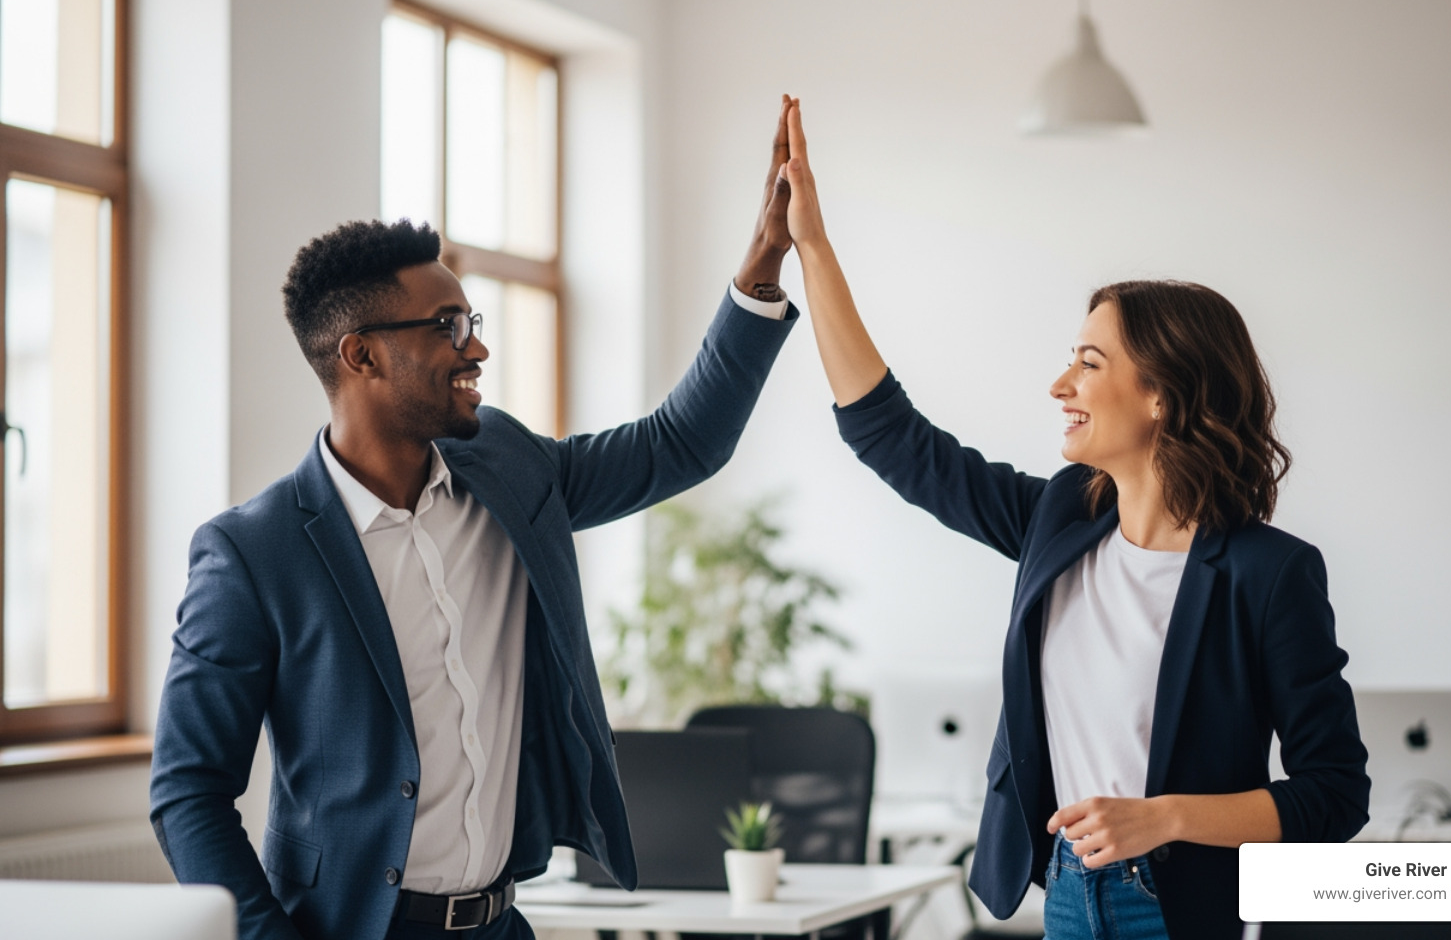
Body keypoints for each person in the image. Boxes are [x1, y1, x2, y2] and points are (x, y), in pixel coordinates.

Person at [150, 100, 801, 940]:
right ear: (362, 354)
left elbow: (679, 444)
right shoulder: (253, 553)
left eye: (473, 323)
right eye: (448, 326)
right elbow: (188, 789)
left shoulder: (510, 468)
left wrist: (764, 261)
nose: (477, 348)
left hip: (500, 924)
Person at [777, 100, 1368, 940]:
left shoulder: (1270, 574)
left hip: (1176, 912)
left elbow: (1335, 792)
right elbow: (894, 439)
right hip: (1065, 896)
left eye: (1089, 364)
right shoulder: (1060, 517)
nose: (1061, 386)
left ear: (1161, 397)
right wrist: (813, 247)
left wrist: (1164, 817)